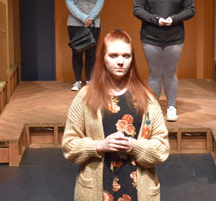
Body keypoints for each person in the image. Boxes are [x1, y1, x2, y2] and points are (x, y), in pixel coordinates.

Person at [62, 29, 170, 201]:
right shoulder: (85, 96)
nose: (120, 62)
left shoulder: (146, 98)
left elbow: (162, 149)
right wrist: (99, 146)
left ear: (132, 59)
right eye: (113, 55)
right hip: (96, 191)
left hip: (138, 191)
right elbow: (69, 146)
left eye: (126, 56)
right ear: (103, 58)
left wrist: (134, 146)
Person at [133, 0, 195, 122]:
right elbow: (137, 9)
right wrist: (156, 20)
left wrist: (173, 19)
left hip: (174, 37)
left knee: (169, 72)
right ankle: (153, 109)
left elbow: (190, 9)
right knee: (154, 73)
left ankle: (171, 107)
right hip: (150, 37)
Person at [65, 0, 105, 91]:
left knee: (91, 52)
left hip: (93, 23)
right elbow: (69, 2)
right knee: (77, 51)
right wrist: (83, 18)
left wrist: (90, 18)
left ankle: (89, 80)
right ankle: (77, 81)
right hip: (75, 23)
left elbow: (100, 2)